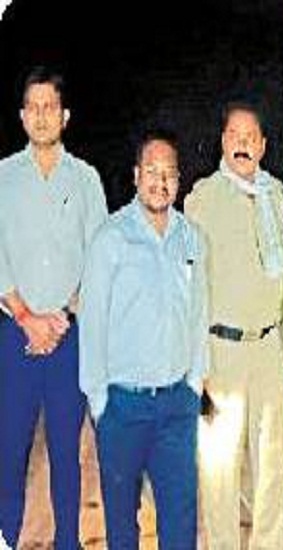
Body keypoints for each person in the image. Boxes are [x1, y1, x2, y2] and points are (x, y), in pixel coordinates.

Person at [79, 130, 207, 549]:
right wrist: (99, 402)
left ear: (179, 181)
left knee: (180, 522)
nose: (160, 181)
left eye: (169, 173)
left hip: (176, 406)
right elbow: (92, 323)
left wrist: (194, 383)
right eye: (152, 171)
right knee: (121, 525)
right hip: (123, 407)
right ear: (136, 176)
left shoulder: (191, 239)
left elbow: (198, 314)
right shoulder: (110, 239)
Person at [0, 66, 107, 550]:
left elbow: (97, 255)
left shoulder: (85, 180)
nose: (42, 116)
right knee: (10, 449)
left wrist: (62, 318)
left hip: (69, 337)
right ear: (22, 116)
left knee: (67, 453)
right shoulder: (3, 177)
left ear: (65, 116)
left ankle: (68, 542)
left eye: (50, 107)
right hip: (13, 334)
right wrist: (26, 317)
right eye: (33, 107)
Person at [185, 100, 283, 550]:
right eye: (235, 136)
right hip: (220, 351)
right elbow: (189, 286)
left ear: (263, 146)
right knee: (219, 467)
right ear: (223, 142)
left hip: (267, 346)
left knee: (272, 465)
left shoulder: (276, 195)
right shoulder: (202, 199)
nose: (243, 144)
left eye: (251, 138)